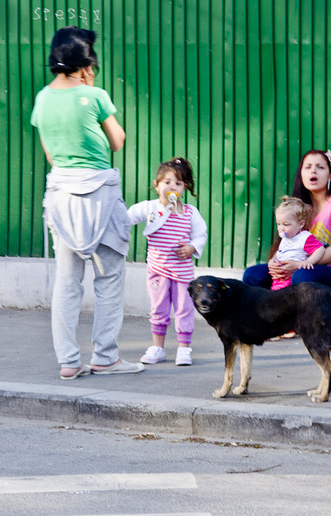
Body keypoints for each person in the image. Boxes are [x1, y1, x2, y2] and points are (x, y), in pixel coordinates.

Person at [31, 26, 144, 380]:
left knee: (66, 282)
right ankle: (105, 357)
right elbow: (118, 140)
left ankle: (68, 361)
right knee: (108, 278)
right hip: (100, 195)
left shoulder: (42, 99)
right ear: (85, 64)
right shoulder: (95, 95)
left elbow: (51, 156)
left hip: (62, 196)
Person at [243, 149, 331, 310]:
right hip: (301, 267)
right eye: (308, 167)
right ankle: (266, 321)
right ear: (301, 175)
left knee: (302, 275)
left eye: (320, 167)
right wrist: (275, 264)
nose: (313, 170)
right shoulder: (299, 208)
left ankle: (330, 312)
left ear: (330, 176)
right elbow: (286, 245)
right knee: (253, 275)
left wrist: (298, 265)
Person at [126, 157, 208, 366]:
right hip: (158, 271)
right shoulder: (151, 208)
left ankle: (183, 348)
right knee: (159, 309)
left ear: (185, 187)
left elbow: (201, 235)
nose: (173, 187)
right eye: (167, 182)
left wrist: (192, 247)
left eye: (178, 183)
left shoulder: (190, 213)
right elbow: (128, 216)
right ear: (157, 185)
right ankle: (158, 347)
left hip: (182, 273)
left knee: (184, 309)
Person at [270, 195, 325, 290]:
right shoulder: (286, 238)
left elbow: (320, 249)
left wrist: (308, 261)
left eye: (286, 224)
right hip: (279, 279)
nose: (281, 228)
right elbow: (280, 251)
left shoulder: (304, 238)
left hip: (291, 279)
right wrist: (272, 261)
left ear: (300, 224)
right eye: (278, 224)